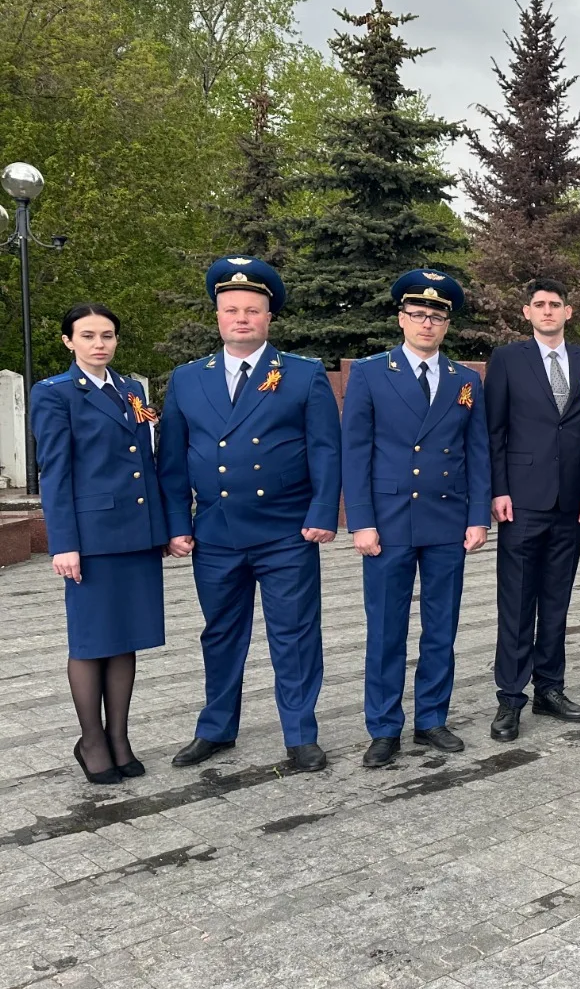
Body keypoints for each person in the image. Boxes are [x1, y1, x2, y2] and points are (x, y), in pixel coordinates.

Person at [158, 257, 341, 773]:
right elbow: (171, 459)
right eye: (231, 309)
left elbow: (326, 449)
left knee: (296, 632)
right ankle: (216, 727)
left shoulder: (301, 374)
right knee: (219, 632)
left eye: (252, 310)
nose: (241, 318)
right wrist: (176, 524)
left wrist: (323, 510)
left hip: (286, 530)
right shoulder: (189, 378)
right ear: (217, 316)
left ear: (268, 317)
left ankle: (301, 733)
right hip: (214, 531)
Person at [342, 271, 490, 767]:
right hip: (387, 521)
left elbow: (477, 452)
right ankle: (384, 727)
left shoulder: (465, 380)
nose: (427, 323)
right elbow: (355, 451)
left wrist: (477, 517)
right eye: (418, 315)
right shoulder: (369, 372)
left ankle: (431, 720)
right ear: (401, 319)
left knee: (441, 627)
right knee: (386, 629)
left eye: (437, 316)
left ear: (447, 324)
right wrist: (360, 521)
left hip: (447, 518)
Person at [31, 304, 167, 784]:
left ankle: (119, 737)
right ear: (68, 341)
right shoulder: (55, 393)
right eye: (87, 335)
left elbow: (146, 462)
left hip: (136, 534)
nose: (99, 344)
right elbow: (55, 472)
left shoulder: (130, 390)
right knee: (91, 641)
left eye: (107, 335)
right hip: (91, 538)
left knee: (125, 636)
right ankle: (91, 739)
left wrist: (164, 526)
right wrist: (63, 543)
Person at [485, 277, 580, 740]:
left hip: (571, 501)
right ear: (527, 312)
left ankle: (550, 688)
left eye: (556, 304)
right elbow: (493, 430)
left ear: (568, 312)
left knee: (557, 599)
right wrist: (498, 489)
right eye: (540, 304)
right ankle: (510, 697)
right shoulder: (508, 360)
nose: (548, 311)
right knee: (516, 601)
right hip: (521, 499)